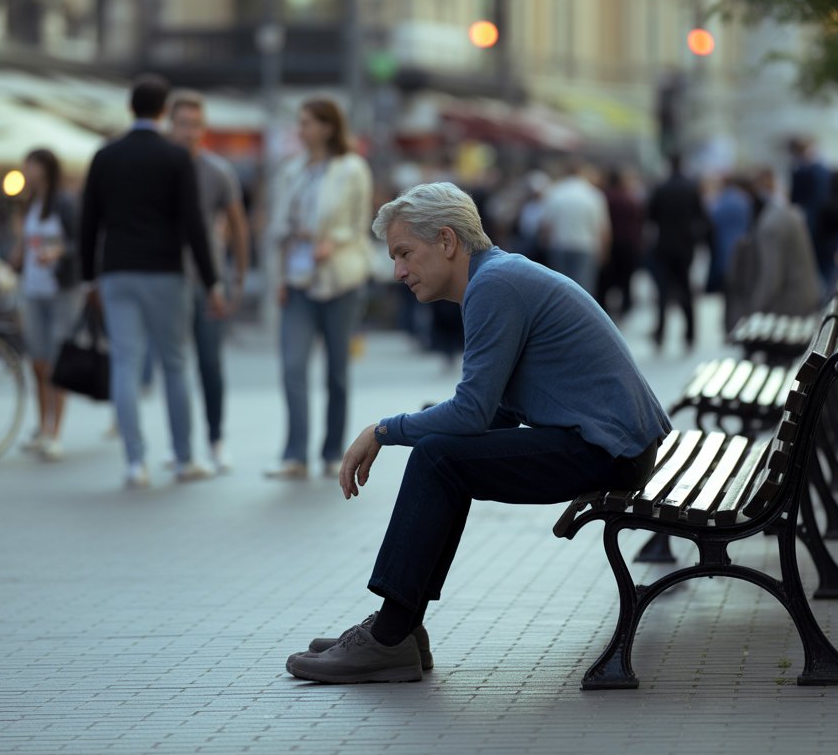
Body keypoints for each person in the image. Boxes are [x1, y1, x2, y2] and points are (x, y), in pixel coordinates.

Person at [283, 181, 670, 684]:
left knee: (438, 458)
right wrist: (427, 421)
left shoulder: (495, 286)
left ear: (447, 241)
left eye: (405, 254)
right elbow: (491, 414)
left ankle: (390, 636)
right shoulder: (497, 278)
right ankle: (397, 629)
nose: (398, 271)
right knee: (443, 454)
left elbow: (470, 416)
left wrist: (384, 430)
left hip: (607, 451)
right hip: (616, 446)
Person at [79, 74, 225, 489]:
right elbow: (194, 224)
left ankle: (134, 463)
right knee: (175, 364)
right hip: (165, 271)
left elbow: (90, 222)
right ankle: (183, 459)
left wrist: (89, 277)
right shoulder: (176, 158)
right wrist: (212, 281)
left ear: (131, 109)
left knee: (126, 363)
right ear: (164, 112)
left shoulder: (105, 156)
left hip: (117, 270)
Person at [266, 97, 372, 480]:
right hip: (296, 278)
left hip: (338, 277)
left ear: (328, 127)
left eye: (308, 122)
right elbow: (278, 227)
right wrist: (278, 278)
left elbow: (361, 223)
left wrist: (334, 240)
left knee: (336, 372)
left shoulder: (352, 168)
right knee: (292, 367)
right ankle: (295, 454)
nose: (301, 129)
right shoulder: (292, 170)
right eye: (300, 121)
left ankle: (331, 452)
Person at [167, 90, 251, 472]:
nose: (189, 132)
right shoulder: (160, 169)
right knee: (173, 367)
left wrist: (238, 276)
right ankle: (181, 446)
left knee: (209, 363)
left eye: (195, 125)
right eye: (182, 124)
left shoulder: (217, 171)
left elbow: (238, 226)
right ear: (171, 125)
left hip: (206, 281)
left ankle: (216, 439)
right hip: (166, 280)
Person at [9, 149, 82, 462]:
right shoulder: (30, 204)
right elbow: (27, 244)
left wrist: (57, 254)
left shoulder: (64, 202)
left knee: (57, 360)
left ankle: (55, 432)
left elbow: (78, 242)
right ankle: (42, 426)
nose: (28, 170)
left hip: (60, 289)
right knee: (37, 362)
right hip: (33, 288)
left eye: (33, 165)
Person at [727, 168, 821, 321]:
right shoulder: (782, 213)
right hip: (805, 299)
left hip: (792, 306)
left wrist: (753, 311)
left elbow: (772, 278)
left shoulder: (770, 226)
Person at [646, 154, 707, 350]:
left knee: (662, 292)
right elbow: (701, 216)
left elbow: (650, 216)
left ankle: (661, 333)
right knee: (686, 289)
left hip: (664, 246)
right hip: (685, 246)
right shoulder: (691, 188)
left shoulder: (661, 188)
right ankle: (690, 334)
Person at [540, 159, 610, 293]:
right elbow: (602, 228)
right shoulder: (593, 194)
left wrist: (546, 246)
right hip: (586, 247)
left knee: (558, 288)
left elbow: (546, 225)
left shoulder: (555, 192)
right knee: (583, 290)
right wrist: (604, 252)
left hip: (559, 244)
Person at [598, 167, 644, 317]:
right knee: (626, 278)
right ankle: (625, 306)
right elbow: (638, 222)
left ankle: (604, 306)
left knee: (606, 279)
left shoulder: (603, 197)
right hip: (628, 243)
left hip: (610, 244)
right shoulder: (629, 198)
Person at [788, 138, 833, 282]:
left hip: (813, 221)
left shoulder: (803, 171)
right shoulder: (820, 169)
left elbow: (797, 199)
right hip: (822, 221)